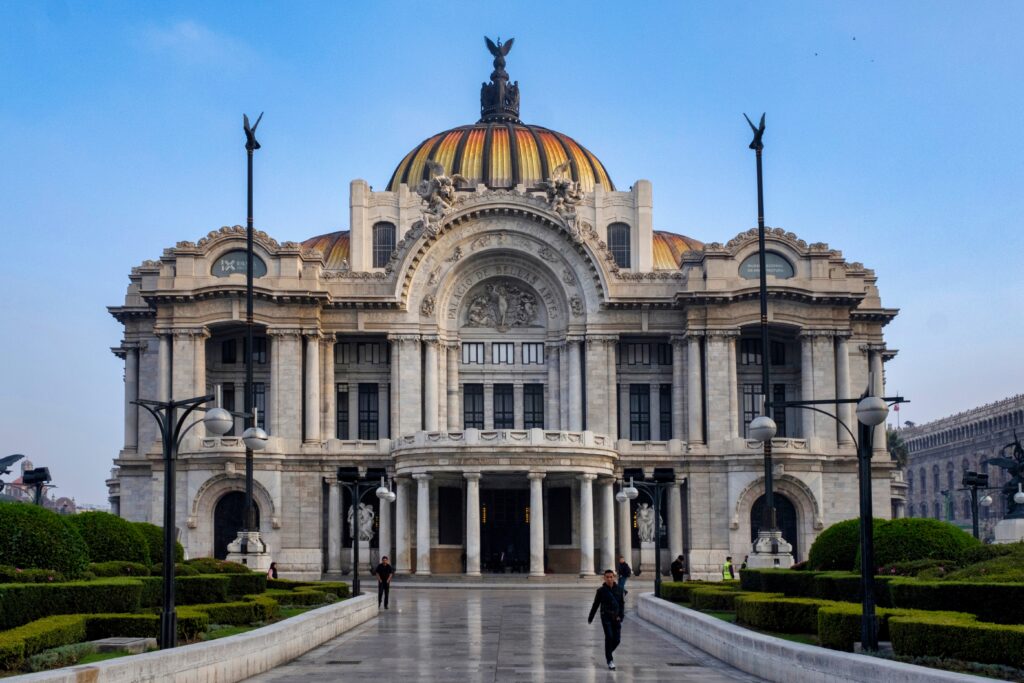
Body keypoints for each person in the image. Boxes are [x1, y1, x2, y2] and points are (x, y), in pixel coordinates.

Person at [588, 569, 626, 670]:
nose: (609, 579)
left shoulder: (620, 590)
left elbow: (622, 604)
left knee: (617, 640)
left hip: (616, 617)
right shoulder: (601, 591)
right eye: (607, 577)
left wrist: (621, 616)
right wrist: (590, 617)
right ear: (604, 578)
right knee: (609, 636)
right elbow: (595, 604)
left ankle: (608, 652)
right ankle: (610, 660)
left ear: (614, 577)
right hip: (606, 616)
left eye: (611, 577)